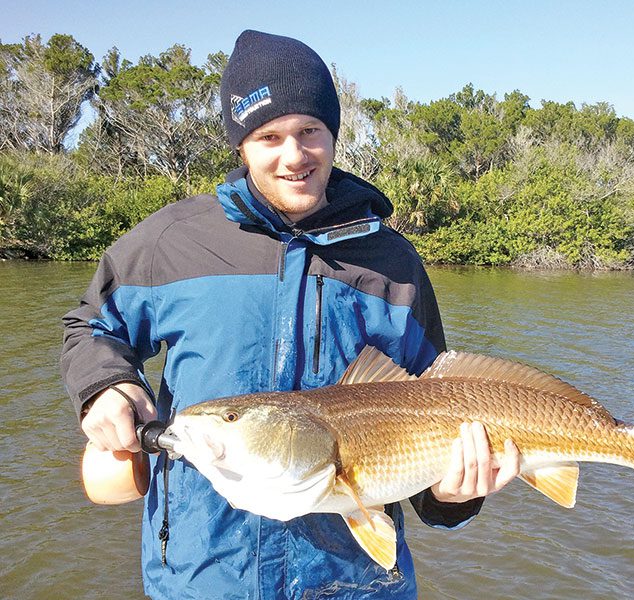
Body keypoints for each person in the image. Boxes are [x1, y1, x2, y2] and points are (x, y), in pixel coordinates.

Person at [62, 30, 520, 599]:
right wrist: (103, 385)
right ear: (241, 145)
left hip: (359, 586)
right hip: (201, 581)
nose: (293, 155)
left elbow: (438, 408)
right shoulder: (171, 241)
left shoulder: (392, 263)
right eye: (269, 135)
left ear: (333, 134)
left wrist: (455, 495)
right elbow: (90, 326)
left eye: (310, 131)